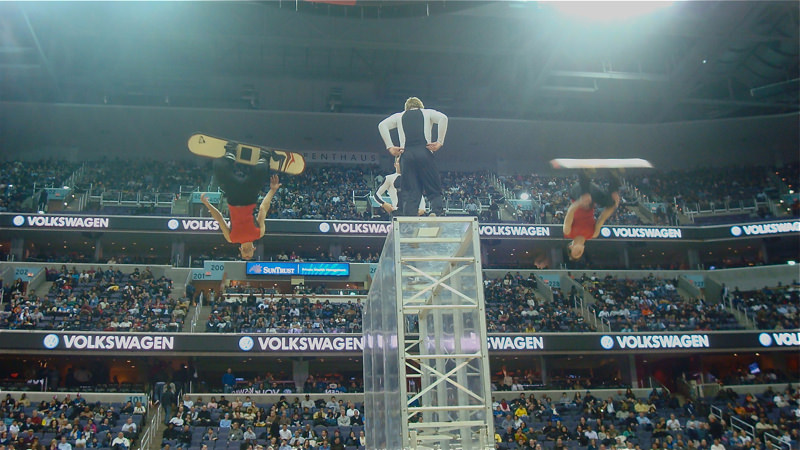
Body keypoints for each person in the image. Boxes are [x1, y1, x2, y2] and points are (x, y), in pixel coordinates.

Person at [378, 96, 448, 216]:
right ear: (420, 106)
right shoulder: (427, 113)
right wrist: (439, 142)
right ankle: (436, 211)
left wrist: (390, 146)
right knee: (433, 186)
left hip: (406, 156)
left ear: (406, 108)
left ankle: (409, 216)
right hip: (424, 152)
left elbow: (382, 125)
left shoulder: (399, 116)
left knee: (411, 191)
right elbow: (443, 118)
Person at [201, 154, 280, 260]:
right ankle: (263, 156)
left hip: (238, 199)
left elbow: (219, 218)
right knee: (259, 171)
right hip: (245, 199)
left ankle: (231, 154)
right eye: (249, 255)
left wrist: (208, 205)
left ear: (239, 250)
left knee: (219, 168)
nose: (247, 255)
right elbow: (263, 209)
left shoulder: (231, 238)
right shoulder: (258, 234)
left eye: (244, 255)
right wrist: (272, 190)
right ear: (254, 249)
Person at [563, 170, 621, 260]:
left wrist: (580, 201)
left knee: (586, 197)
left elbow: (570, 212)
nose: (579, 253)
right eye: (580, 254)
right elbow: (602, 218)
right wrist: (614, 206)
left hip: (577, 194)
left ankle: (584, 170)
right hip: (592, 197)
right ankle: (614, 174)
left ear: (570, 247)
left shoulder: (568, 232)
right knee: (611, 202)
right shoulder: (593, 234)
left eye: (576, 253)